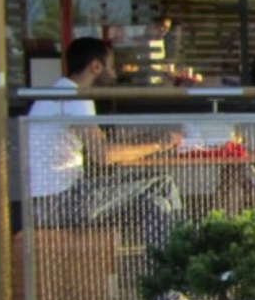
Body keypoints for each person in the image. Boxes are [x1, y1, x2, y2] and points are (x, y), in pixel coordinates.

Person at [26, 36, 184, 246]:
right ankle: (182, 255)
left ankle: (165, 257)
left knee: (156, 200)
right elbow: (104, 154)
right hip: (61, 202)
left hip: (43, 203)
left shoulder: (57, 92)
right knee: (162, 183)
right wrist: (161, 143)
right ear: (96, 67)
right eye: (111, 66)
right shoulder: (75, 96)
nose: (115, 74)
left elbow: (102, 142)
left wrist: (148, 139)